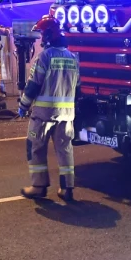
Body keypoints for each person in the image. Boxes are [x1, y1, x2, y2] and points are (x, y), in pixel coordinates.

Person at [17, 14, 80, 201]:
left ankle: (39, 186)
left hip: (44, 114)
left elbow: (33, 85)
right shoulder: (73, 58)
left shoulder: (44, 57)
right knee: (65, 150)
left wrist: (23, 105)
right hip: (67, 115)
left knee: (35, 148)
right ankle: (67, 189)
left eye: (43, 34)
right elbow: (78, 87)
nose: (41, 38)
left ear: (49, 35)